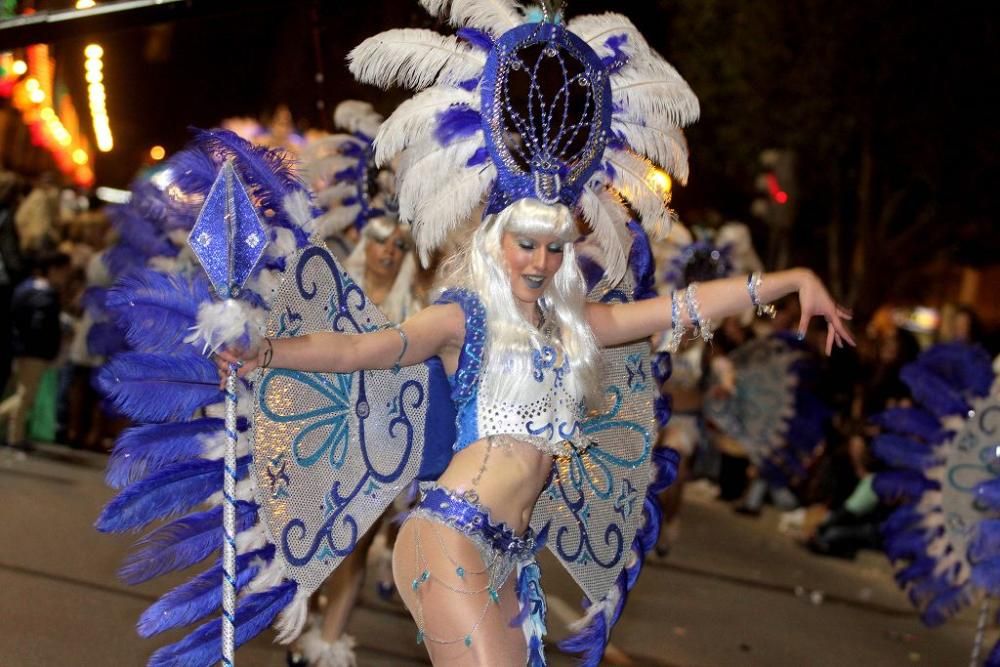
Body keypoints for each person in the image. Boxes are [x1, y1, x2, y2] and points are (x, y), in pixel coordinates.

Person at [0, 250, 72, 448]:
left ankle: (14, 435)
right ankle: (14, 437)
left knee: (21, 394)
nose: (66, 276)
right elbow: (41, 327)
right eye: (64, 271)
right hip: (34, 352)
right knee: (25, 396)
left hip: (21, 348)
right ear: (53, 269)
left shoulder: (25, 289)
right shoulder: (44, 295)